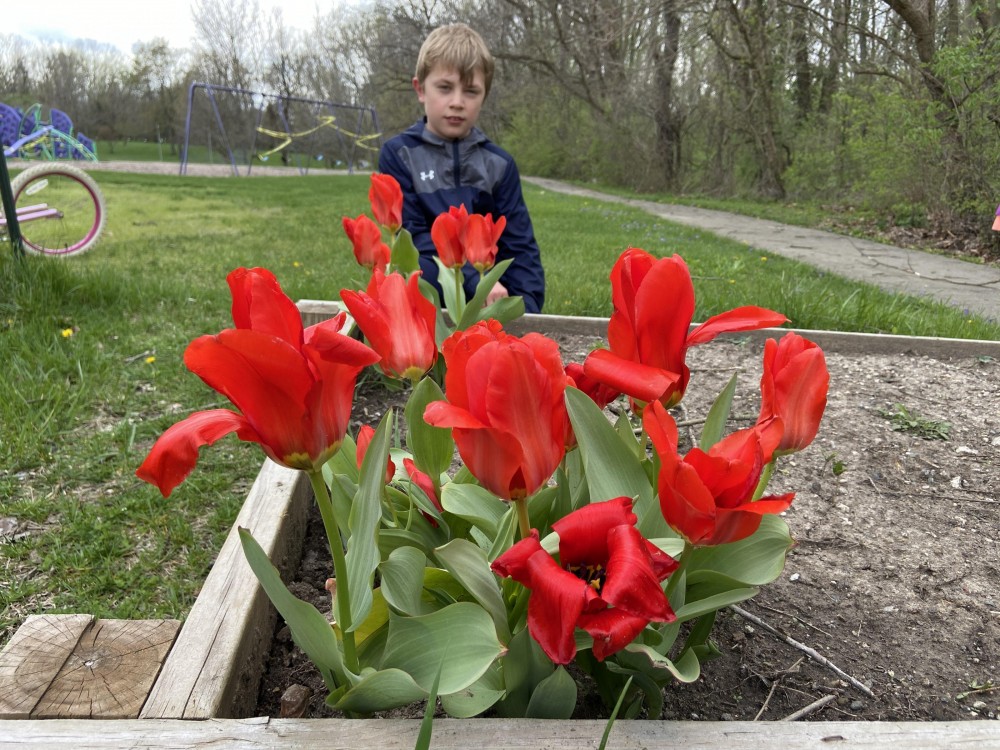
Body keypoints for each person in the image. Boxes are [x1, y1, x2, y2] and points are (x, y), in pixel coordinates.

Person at [378, 23, 545, 314]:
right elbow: (413, 239)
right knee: (417, 269)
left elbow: (519, 245)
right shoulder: (399, 155)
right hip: (433, 288)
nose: (457, 102)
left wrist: (527, 309)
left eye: (471, 91)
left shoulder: (499, 164)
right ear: (420, 89)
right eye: (445, 88)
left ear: (484, 96)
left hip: (491, 294)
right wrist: (476, 281)